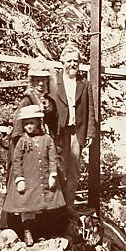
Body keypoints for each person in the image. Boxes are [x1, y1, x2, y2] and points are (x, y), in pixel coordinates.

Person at [0, 104, 65, 243]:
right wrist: (19, 179)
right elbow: (16, 161)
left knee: (39, 206)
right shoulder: (22, 141)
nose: (29, 126)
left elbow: (53, 158)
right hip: (28, 179)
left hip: (41, 178)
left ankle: (37, 232)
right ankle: (27, 232)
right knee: (26, 206)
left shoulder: (47, 139)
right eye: (26, 123)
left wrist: (53, 174)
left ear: (38, 122)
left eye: (32, 123)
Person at [47, 44, 94, 211]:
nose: (72, 64)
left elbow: (90, 110)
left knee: (73, 170)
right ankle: (55, 207)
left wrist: (90, 133)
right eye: (69, 61)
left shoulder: (84, 84)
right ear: (62, 62)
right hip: (59, 132)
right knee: (58, 167)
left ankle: (68, 206)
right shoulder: (54, 82)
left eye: (76, 61)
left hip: (77, 132)